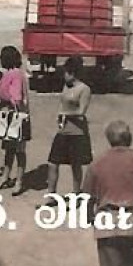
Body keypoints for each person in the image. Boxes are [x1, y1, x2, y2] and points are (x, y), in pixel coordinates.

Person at [82, 120, 133, 266]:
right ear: (129, 138)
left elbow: (87, 197)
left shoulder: (97, 163)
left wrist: (89, 218)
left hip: (107, 224)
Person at [47, 56, 93, 197]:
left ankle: (76, 192)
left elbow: (81, 112)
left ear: (73, 73)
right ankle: (51, 194)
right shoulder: (66, 87)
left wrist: (65, 113)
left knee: (76, 165)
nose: (64, 76)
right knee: (52, 163)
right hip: (63, 130)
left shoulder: (84, 89)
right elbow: (62, 103)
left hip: (77, 132)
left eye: (66, 73)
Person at [0, 46, 32, 194]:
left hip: (15, 118)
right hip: (12, 117)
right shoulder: (13, 74)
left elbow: (16, 98)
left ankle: (18, 181)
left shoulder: (14, 75)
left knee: (18, 150)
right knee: (10, 149)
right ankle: (7, 177)